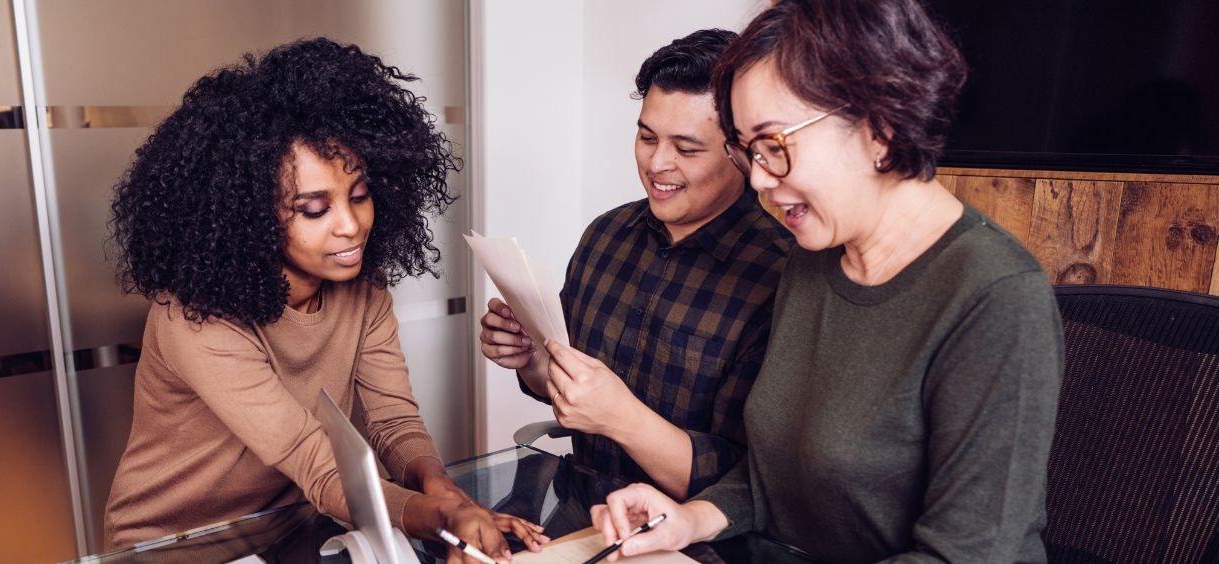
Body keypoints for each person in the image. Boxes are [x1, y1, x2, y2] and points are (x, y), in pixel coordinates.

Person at [588, 1, 1064, 562]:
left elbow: (969, 555)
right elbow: (776, 482)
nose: (760, 180)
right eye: (748, 150)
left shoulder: (995, 297)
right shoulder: (814, 261)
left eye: (775, 146)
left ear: (881, 127)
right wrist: (690, 519)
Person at [103, 38, 545, 560]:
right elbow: (313, 460)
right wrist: (445, 519)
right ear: (250, 216)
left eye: (359, 195)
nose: (351, 225)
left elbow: (392, 422)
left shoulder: (363, 290)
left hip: (292, 530)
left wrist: (448, 495)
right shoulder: (196, 318)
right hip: (174, 545)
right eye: (315, 209)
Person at [480, 28, 793, 503]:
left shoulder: (779, 277)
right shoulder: (607, 236)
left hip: (697, 539)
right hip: (581, 506)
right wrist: (531, 360)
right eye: (647, 137)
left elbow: (751, 482)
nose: (657, 163)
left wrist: (622, 418)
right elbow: (561, 388)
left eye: (686, 149)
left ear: (743, 152)